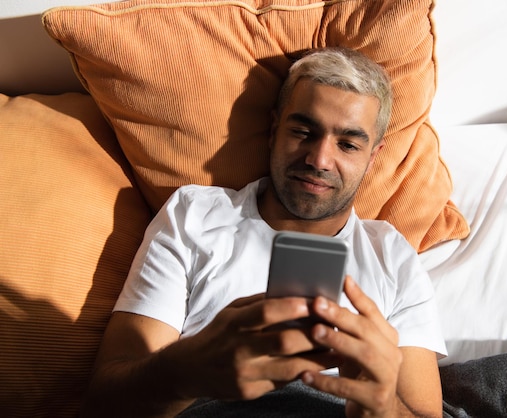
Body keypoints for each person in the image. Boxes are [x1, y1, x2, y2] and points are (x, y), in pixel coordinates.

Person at [81, 47, 447, 418]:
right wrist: (186, 372)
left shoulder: (392, 256)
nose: (319, 160)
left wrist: (381, 407)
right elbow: (101, 405)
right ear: (274, 131)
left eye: (348, 144)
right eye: (303, 131)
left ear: (372, 157)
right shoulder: (195, 214)